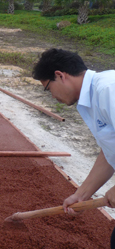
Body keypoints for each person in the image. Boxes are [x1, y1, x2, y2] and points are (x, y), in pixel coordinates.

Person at [33, 48, 115, 247]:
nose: (51, 96)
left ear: (60, 76)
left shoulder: (108, 89)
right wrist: (81, 195)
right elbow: (110, 151)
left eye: (47, 88)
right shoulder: (91, 98)